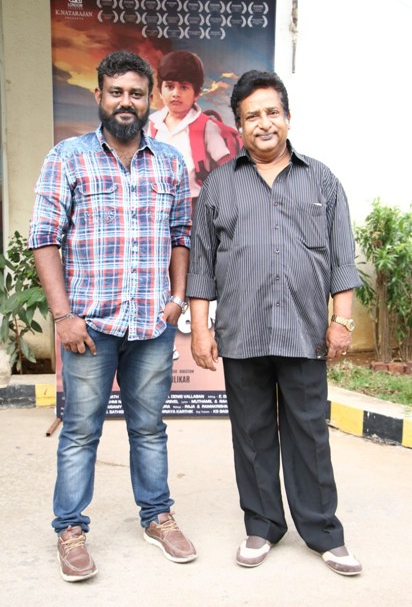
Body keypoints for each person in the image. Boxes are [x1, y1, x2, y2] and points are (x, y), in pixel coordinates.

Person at [28, 50, 196, 583]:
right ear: (98, 95)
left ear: (149, 100)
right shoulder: (68, 157)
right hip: (89, 329)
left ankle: (157, 516)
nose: (127, 102)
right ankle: (70, 529)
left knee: (149, 428)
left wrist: (176, 300)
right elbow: (45, 238)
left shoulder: (170, 163)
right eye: (117, 92)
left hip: (151, 325)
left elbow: (182, 236)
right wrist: (62, 316)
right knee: (81, 431)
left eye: (136, 93)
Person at [186, 70, 363, 576]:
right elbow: (201, 265)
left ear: (287, 117)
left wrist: (341, 321)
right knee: (252, 432)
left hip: (304, 332)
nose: (263, 123)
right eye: (252, 116)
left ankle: (323, 532)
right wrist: (200, 329)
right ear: (239, 126)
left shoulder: (321, 180)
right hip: (242, 333)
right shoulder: (220, 185)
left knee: (310, 433)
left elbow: (342, 258)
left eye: (272, 112)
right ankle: (262, 525)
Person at [148, 50, 240, 209]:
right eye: (169, 86)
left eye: (184, 87)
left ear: (196, 94)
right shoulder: (154, 125)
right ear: (160, 91)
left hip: (195, 204)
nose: (176, 93)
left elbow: (227, 169)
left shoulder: (206, 126)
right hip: (159, 204)